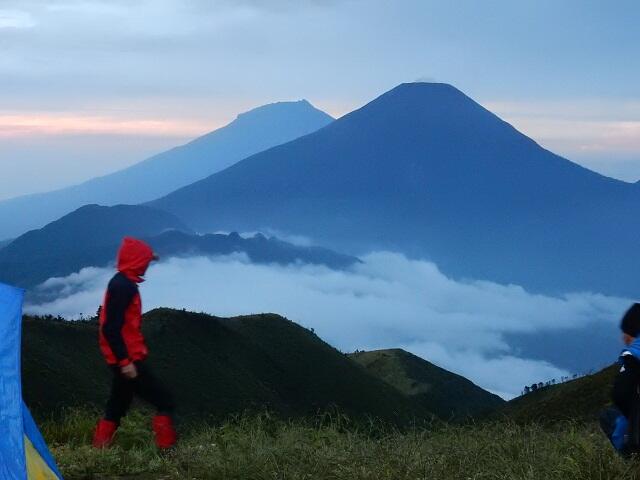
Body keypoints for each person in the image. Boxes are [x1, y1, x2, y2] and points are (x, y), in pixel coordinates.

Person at [92, 237, 177, 450]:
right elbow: (111, 328)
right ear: (136, 262)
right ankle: (167, 451)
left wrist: (150, 255)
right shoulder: (124, 288)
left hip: (122, 357)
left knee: (117, 405)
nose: (147, 266)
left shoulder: (121, 281)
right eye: (145, 262)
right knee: (165, 401)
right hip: (128, 359)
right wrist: (125, 361)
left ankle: (99, 450)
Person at [600, 303, 640, 456]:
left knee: (608, 416)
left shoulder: (633, 357)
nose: (623, 338)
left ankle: (630, 453)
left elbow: (621, 394)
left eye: (626, 333)